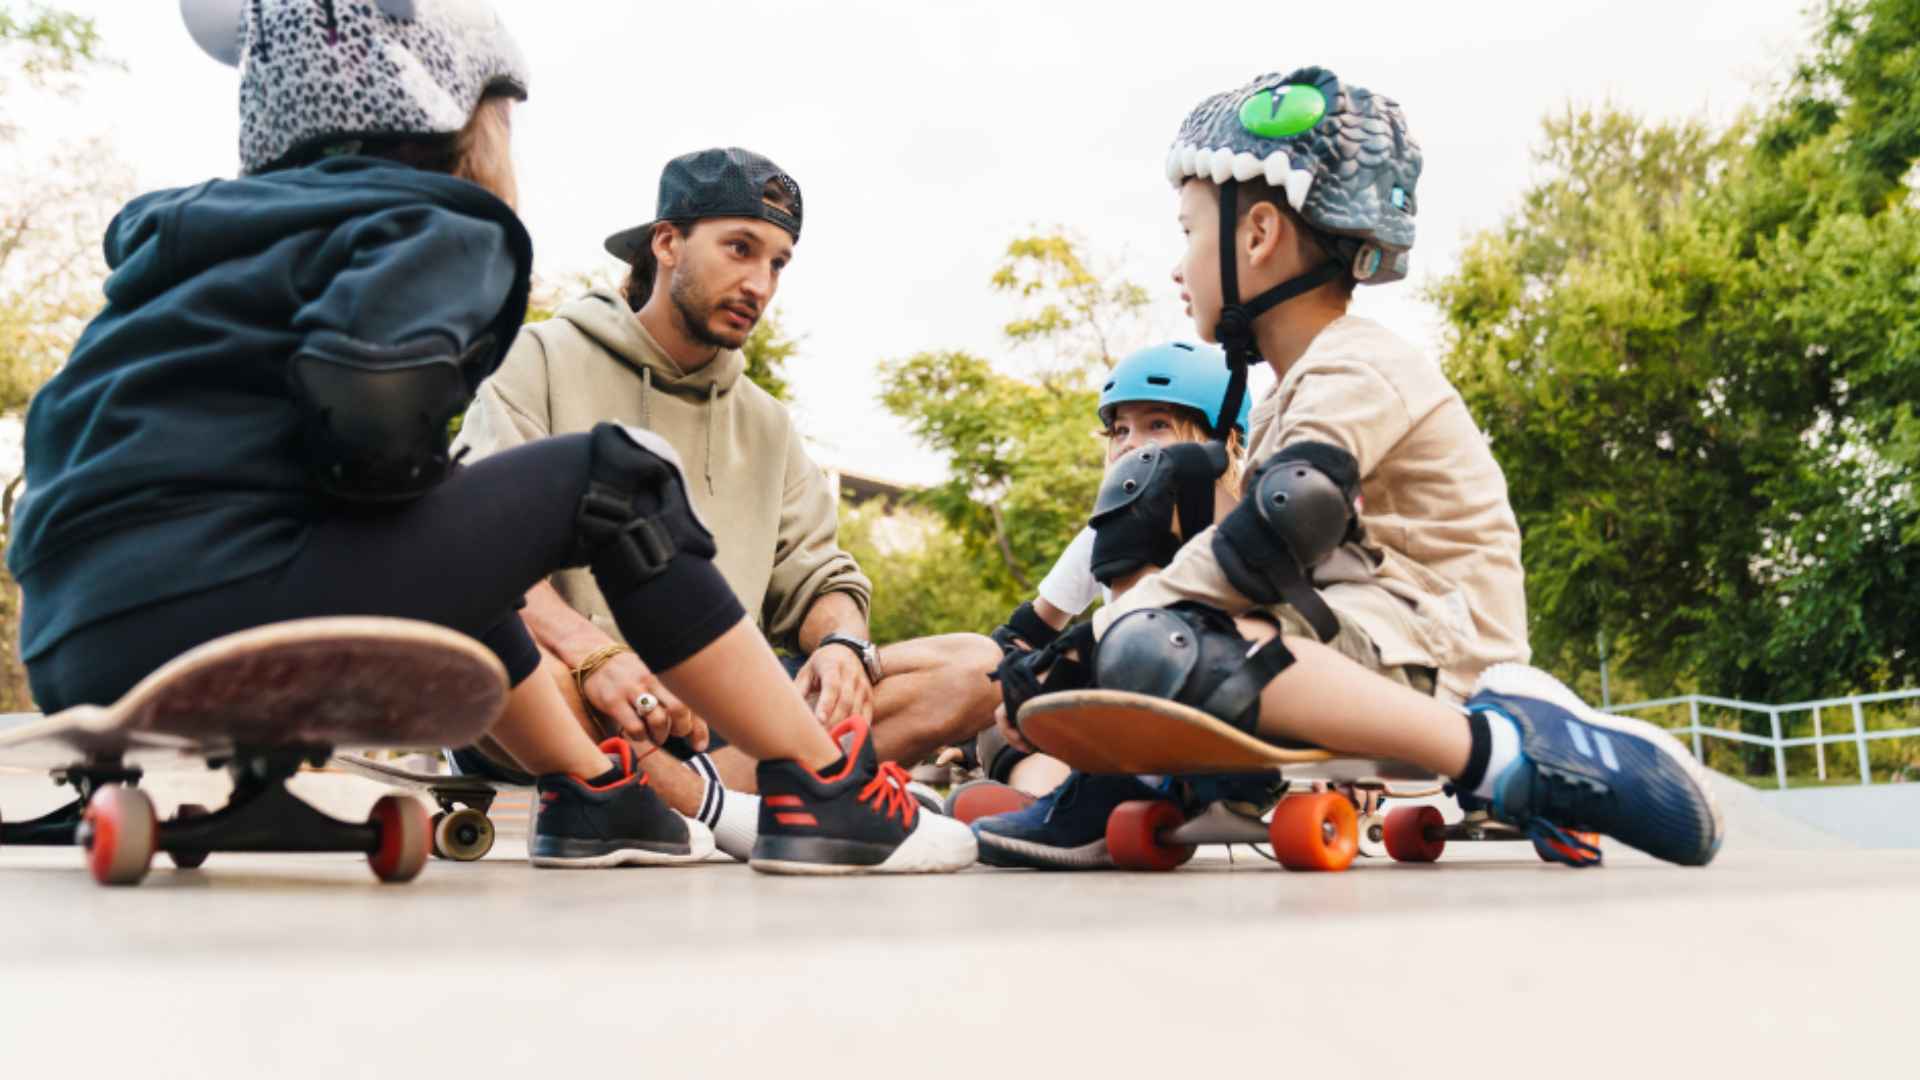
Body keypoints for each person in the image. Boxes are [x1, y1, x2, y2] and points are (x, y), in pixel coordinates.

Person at [7, 0, 974, 876]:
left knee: (460, 549)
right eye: (506, 116)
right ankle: (822, 790)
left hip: (75, 644)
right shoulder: (436, 223)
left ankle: (597, 794)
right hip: (230, 601)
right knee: (616, 480)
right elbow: (375, 418)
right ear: (455, 113)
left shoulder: (188, 243)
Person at [970, 66, 1723, 869]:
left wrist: (1126, 624)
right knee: (1164, 516)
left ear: (1257, 235)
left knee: (1163, 639)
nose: (1178, 266)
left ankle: (1505, 749)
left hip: (1439, 637)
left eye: (1188, 232)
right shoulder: (1295, 386)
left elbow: (1291, 517)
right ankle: (1133, 792)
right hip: (1362, 622)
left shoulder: (1357, 363)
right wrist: (1081, 649)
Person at [452, 147, 1003, 858]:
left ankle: (697, 797)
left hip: (714, 722)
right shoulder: (542, 356)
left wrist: (841, 642)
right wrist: (594, 655)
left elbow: (820, 576)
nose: (760, 283)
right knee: (485, 640)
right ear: (668, 242)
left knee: (978, 667)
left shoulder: (768, 423)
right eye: (740, 249)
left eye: (778, 262)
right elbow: (479, 550)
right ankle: (741, 804)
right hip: (572, 698)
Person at [953, 341, 1250, 820]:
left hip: (1220, 714)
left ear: (1224, 444)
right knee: (1017, 692)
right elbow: (1024, 633)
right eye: (1119, 430)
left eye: (1157, 425)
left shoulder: (1249, 531)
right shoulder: (1101, 534)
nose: (1130, 443)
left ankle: (1089, 800)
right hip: (1116, 726)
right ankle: (1045, 801)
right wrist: (973, 729)